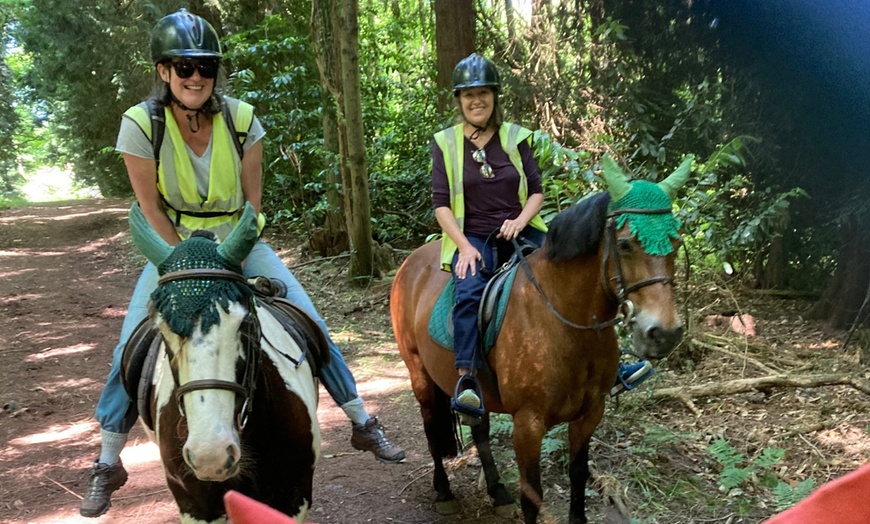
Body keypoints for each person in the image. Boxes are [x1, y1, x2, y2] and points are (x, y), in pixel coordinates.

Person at [80, 9, 404, 519]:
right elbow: (148, 208)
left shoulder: (242, 118)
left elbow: (254, 203)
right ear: (164, 71)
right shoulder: (140, 124)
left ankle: (361, 420)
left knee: (309, 320)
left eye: (204, 67)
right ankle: (107, 458)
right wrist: (187, 264)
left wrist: (229, 254)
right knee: (132, 342)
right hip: (173, 245)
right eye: (183, 66)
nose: (195, 77)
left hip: (239, 239)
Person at [431, 53, 654, 425]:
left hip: (521, 229)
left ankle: (613, 367)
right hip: (473, 236)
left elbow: (536, 192)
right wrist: (465, 247)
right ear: (459, 100)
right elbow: (440, 205)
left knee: (581, 280)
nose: (476, 101)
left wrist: (520, 220)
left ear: (494, 97)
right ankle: (467, 380)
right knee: (469, 293)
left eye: (483, 93)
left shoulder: (516, 138)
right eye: (469, 95)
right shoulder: (446, 143)